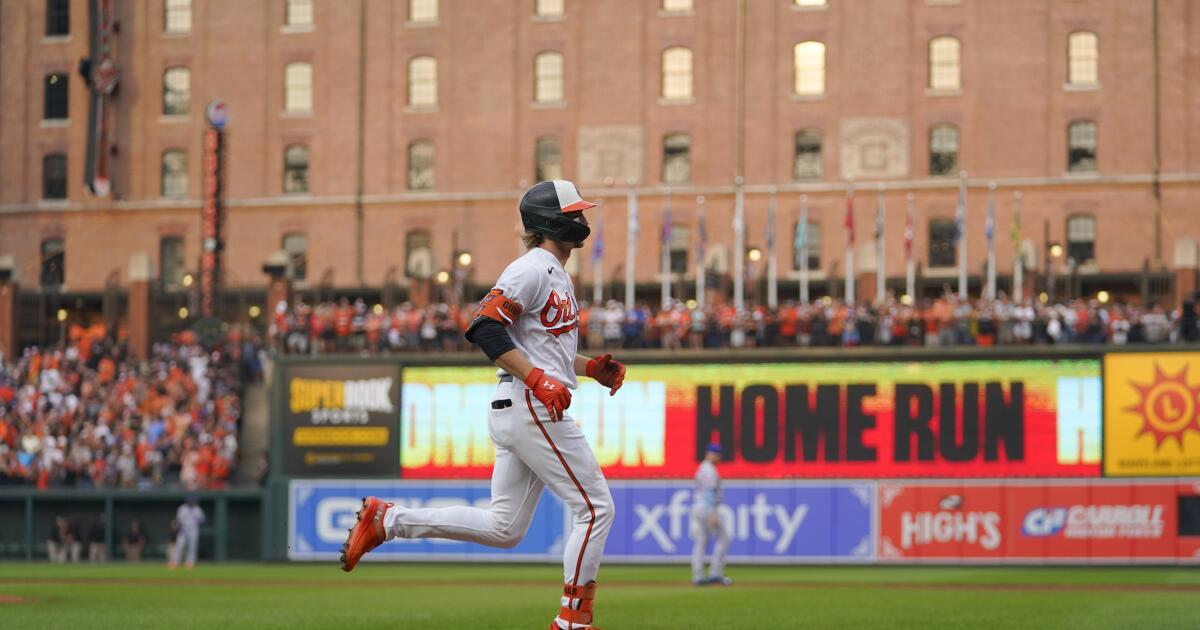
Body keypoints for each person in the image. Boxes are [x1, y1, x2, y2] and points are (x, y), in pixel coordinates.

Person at [341, 180, 623, 630]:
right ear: (551, 221)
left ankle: (389, 520)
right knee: (595, 508)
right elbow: (484, 328)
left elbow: (540, 347)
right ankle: (574, 620)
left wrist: (589, 368)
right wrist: (536, 379)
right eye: (574, 213)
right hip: (530, 403)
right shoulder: (531, 268)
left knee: (505, 528)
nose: (582, 220)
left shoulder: (554, 271)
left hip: (521, 404)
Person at [691, 442, 732, 586]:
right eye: (717, 453)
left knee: (701, 541)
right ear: (710, 454)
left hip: (698, 507)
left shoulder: (702, 468)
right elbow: (709, 492)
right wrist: (713, 513)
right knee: (724, 537)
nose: (719, 456)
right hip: (706, 508)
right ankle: (715, 573)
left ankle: (698, 576)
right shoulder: (709, 470)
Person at [169, 495, 205, 569]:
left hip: (193, 530)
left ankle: (190, 563)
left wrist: (198, 521)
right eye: (190, 500)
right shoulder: (182, 508)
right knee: (179, 546)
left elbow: (202, 519)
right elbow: (178, 520)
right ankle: (175, 562)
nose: (191, 502)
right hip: (183, 529)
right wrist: (179, 527)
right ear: (187, 501)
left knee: (192, 547)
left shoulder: (197, 509)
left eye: (193, 501)